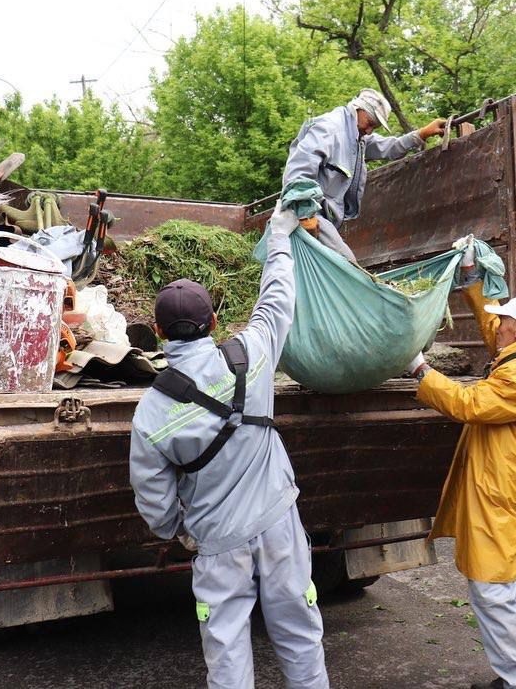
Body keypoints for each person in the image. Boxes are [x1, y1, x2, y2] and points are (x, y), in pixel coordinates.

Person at [129, 207, 329, 689]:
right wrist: (279, 237)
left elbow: (153, 500)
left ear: (156, 332)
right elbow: (277, 298)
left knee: (226, 651)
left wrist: (180, 531)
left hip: (217, 544)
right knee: (301, 636)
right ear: (215, 320)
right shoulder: (252, 355)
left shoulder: (150, 413)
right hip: (279, 525)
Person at [405, 244, 516, 689]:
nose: (497, 328)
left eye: (504, 322)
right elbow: (491, 325)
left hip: (500, 500)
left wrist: (420, 369)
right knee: (504, 588)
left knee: (491, 589)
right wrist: (472, 283)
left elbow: (468, 402)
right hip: (500, 493)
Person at [282, 87, 447, 260]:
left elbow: (389, 148)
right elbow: (298, 170)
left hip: (324, 218)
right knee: (346, 265)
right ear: (358, 109)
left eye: (374, 127)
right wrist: (305, 214)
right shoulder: (330, 129)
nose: (369, 131)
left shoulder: (357, 138)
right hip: (309, 212)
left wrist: (421, 134)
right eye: (370, 123)